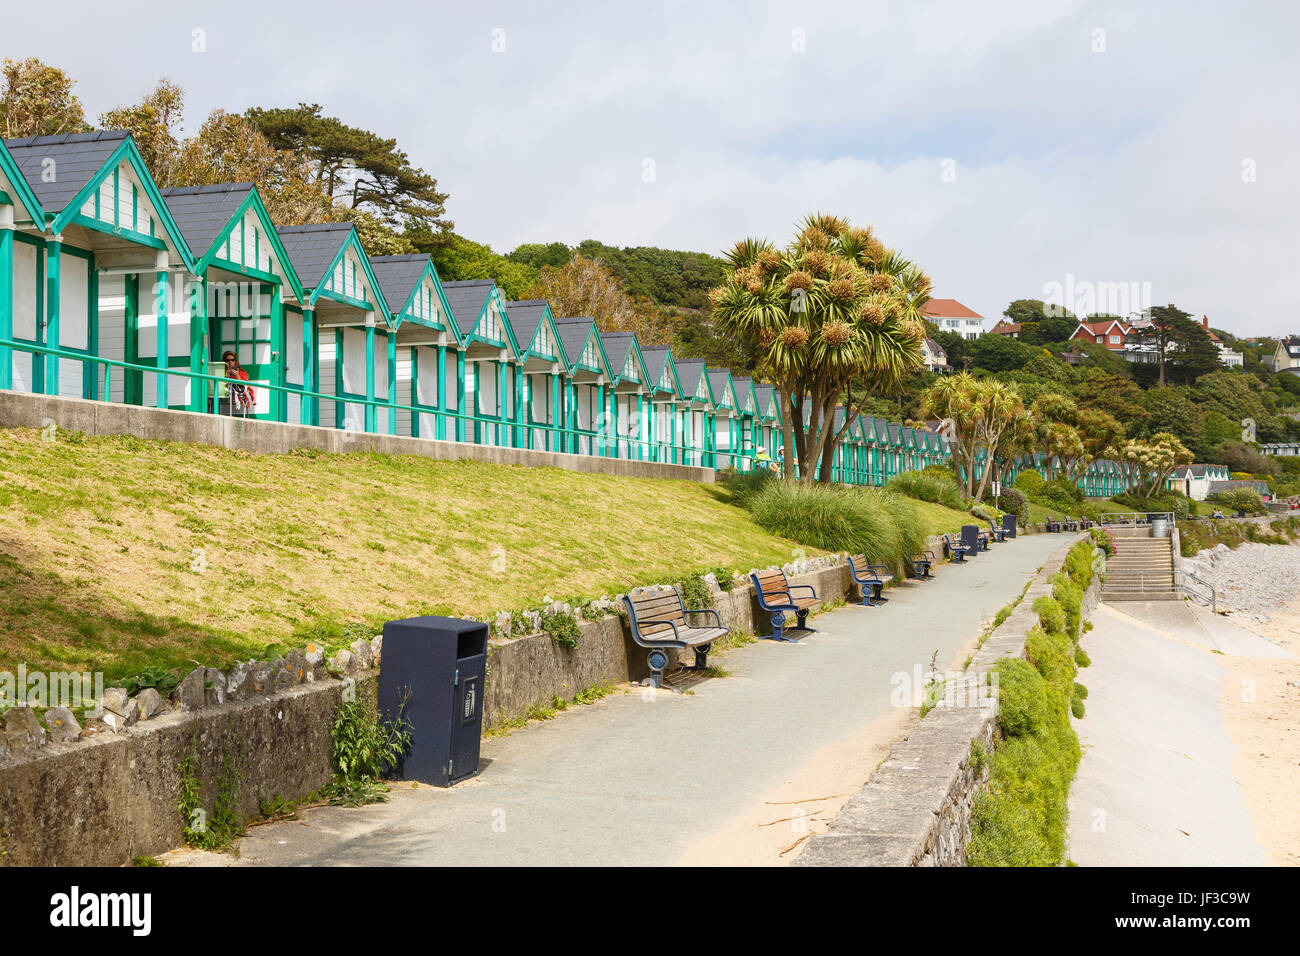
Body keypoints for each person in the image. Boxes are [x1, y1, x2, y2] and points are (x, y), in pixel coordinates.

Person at [222, 350, 255, 416]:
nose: (230, 362)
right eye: (227, 360)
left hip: (237, 396)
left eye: (232, 360)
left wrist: (237, 375)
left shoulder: (242, 373)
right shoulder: (221, 371)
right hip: (224, 396)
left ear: (235, 362)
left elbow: (243, 386)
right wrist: (226, 374)